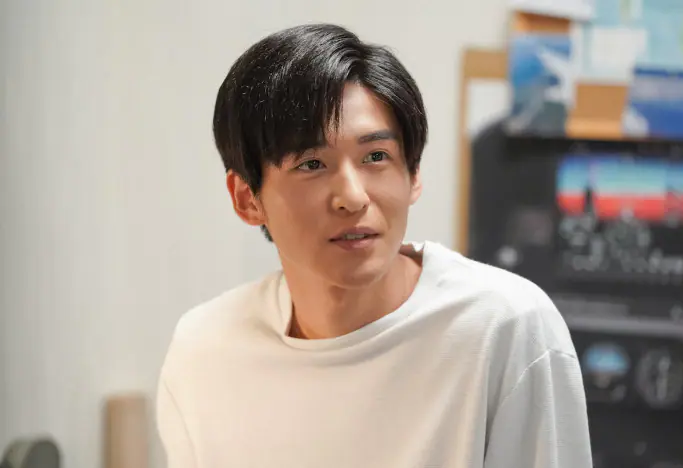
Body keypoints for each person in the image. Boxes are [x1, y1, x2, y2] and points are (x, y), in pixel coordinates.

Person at [156, 23, 593, 468]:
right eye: (312, 163)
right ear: (248, 199)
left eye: (376, 157)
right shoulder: (205, 351)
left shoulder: (505, 327)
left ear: (413, 174)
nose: (352, 197)